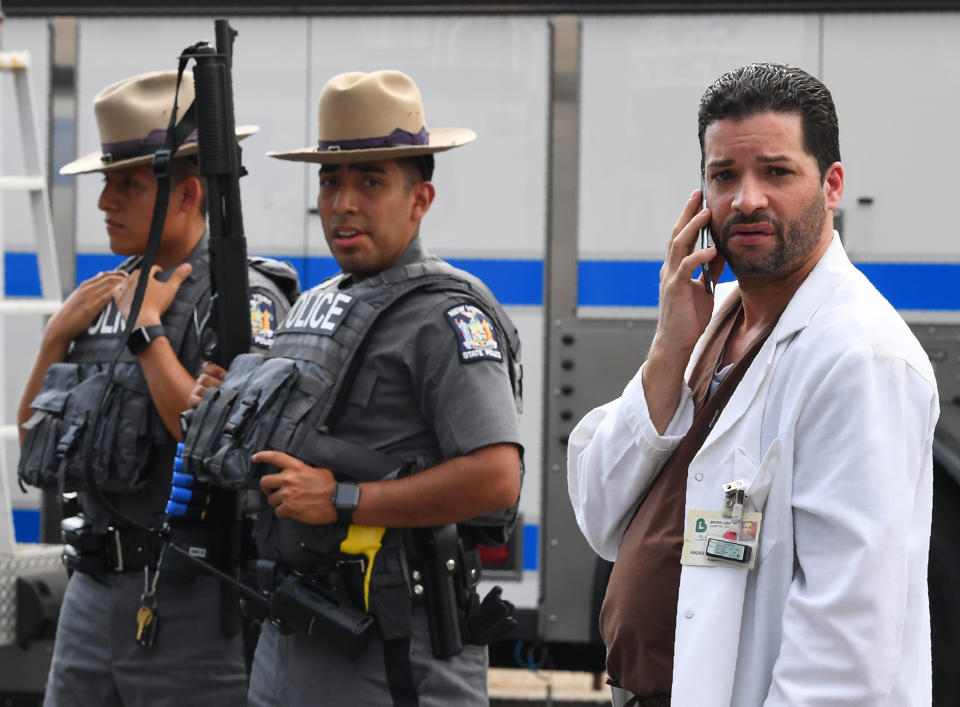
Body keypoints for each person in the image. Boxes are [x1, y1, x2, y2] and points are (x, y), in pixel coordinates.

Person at [567, 62, 938, 706]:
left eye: (776, 171)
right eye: (723, 175)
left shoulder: (858, 356)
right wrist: (668, 349)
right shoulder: (709, 319)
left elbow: (846, 637)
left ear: (833, 184)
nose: (746, 199)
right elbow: (600, 514)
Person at [183, 69, 523, 707]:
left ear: (420, 199)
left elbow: (496, 479)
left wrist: (342, 498)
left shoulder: (444, 314)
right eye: (330, 180)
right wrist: (230, 402)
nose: (343, 203)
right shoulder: (314, 304)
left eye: (371, 182)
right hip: (294, 634)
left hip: (397, 649)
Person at [16, 70, 296, 706]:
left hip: (193, 595)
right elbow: (34, 438)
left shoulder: (238, 300)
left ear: (189, 191)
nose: (104, 202)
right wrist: (55, 338)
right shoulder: (105, 295)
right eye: (107, 183)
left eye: (127, 184)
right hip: (91, 590)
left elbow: (215, 444)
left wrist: (148, 332)